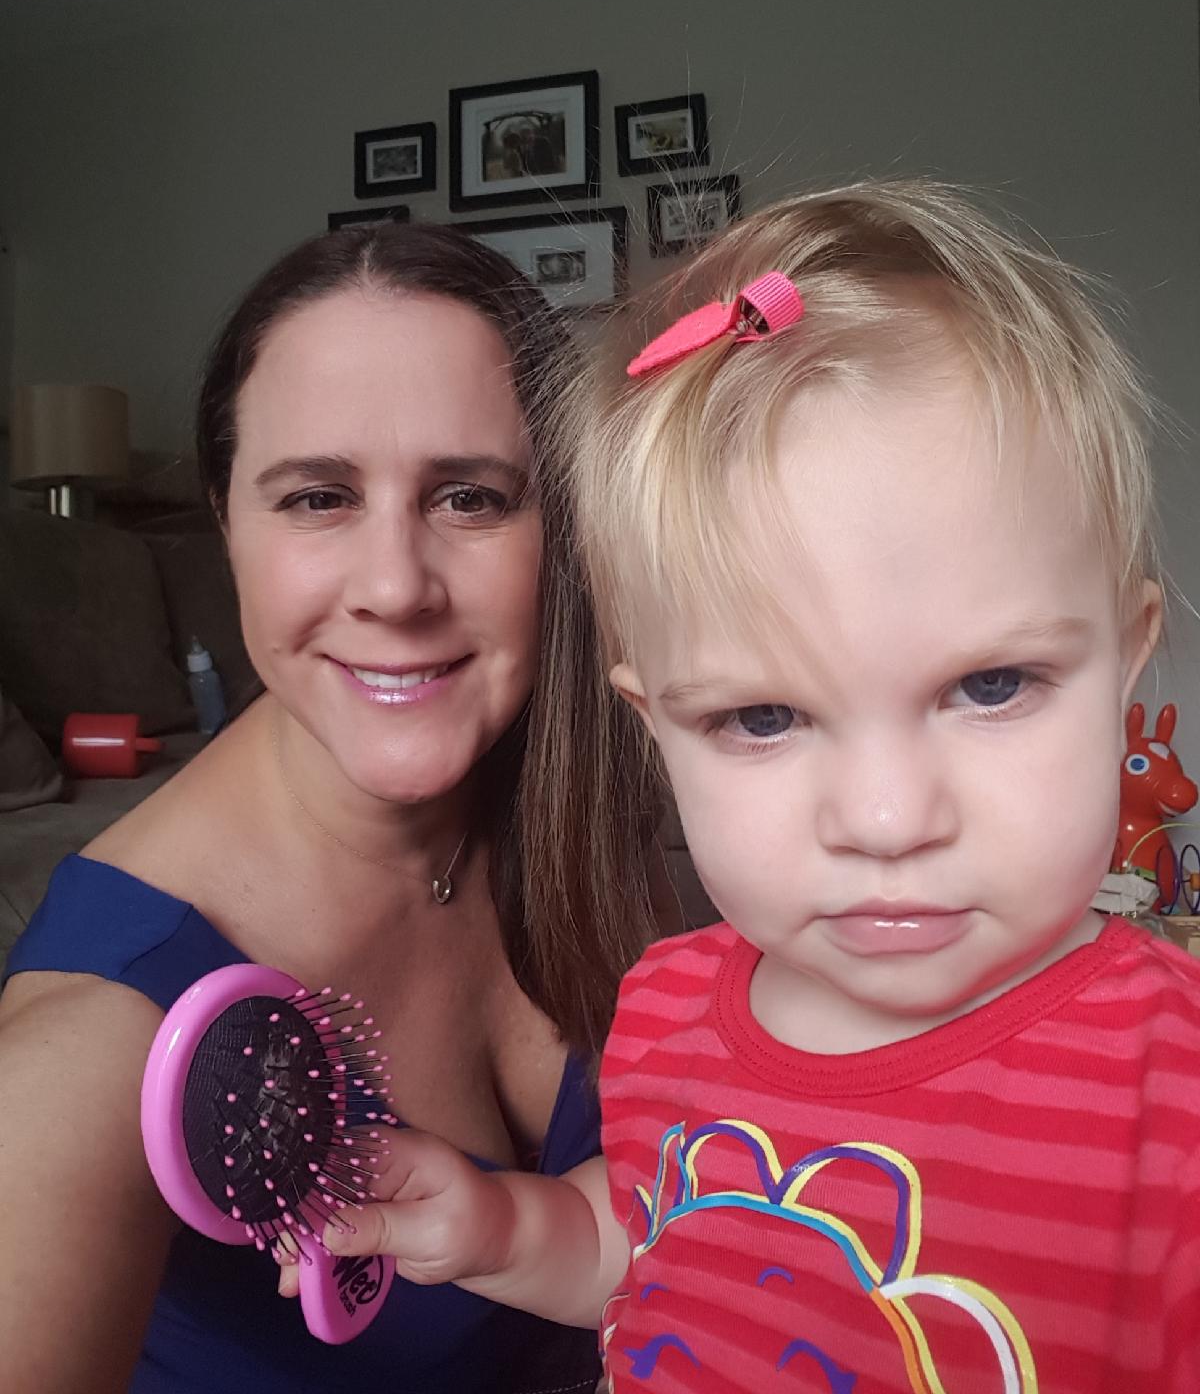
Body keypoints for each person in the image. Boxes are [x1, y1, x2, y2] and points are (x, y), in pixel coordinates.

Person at [309, 183, 1200, 1391]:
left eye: (991, 686)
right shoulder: (667, 1007)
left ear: (1128, 656)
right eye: (764, 717)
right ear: (655, 724)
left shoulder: (1171, 1085)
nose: (887, 820)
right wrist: (504, 1231)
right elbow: (656, 1242)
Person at [0, 222, 660, 1394]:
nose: (397, 587)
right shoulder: (86, 1047)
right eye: (317, 497)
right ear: (226, 521)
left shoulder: (591, 781)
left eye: (470, 495)